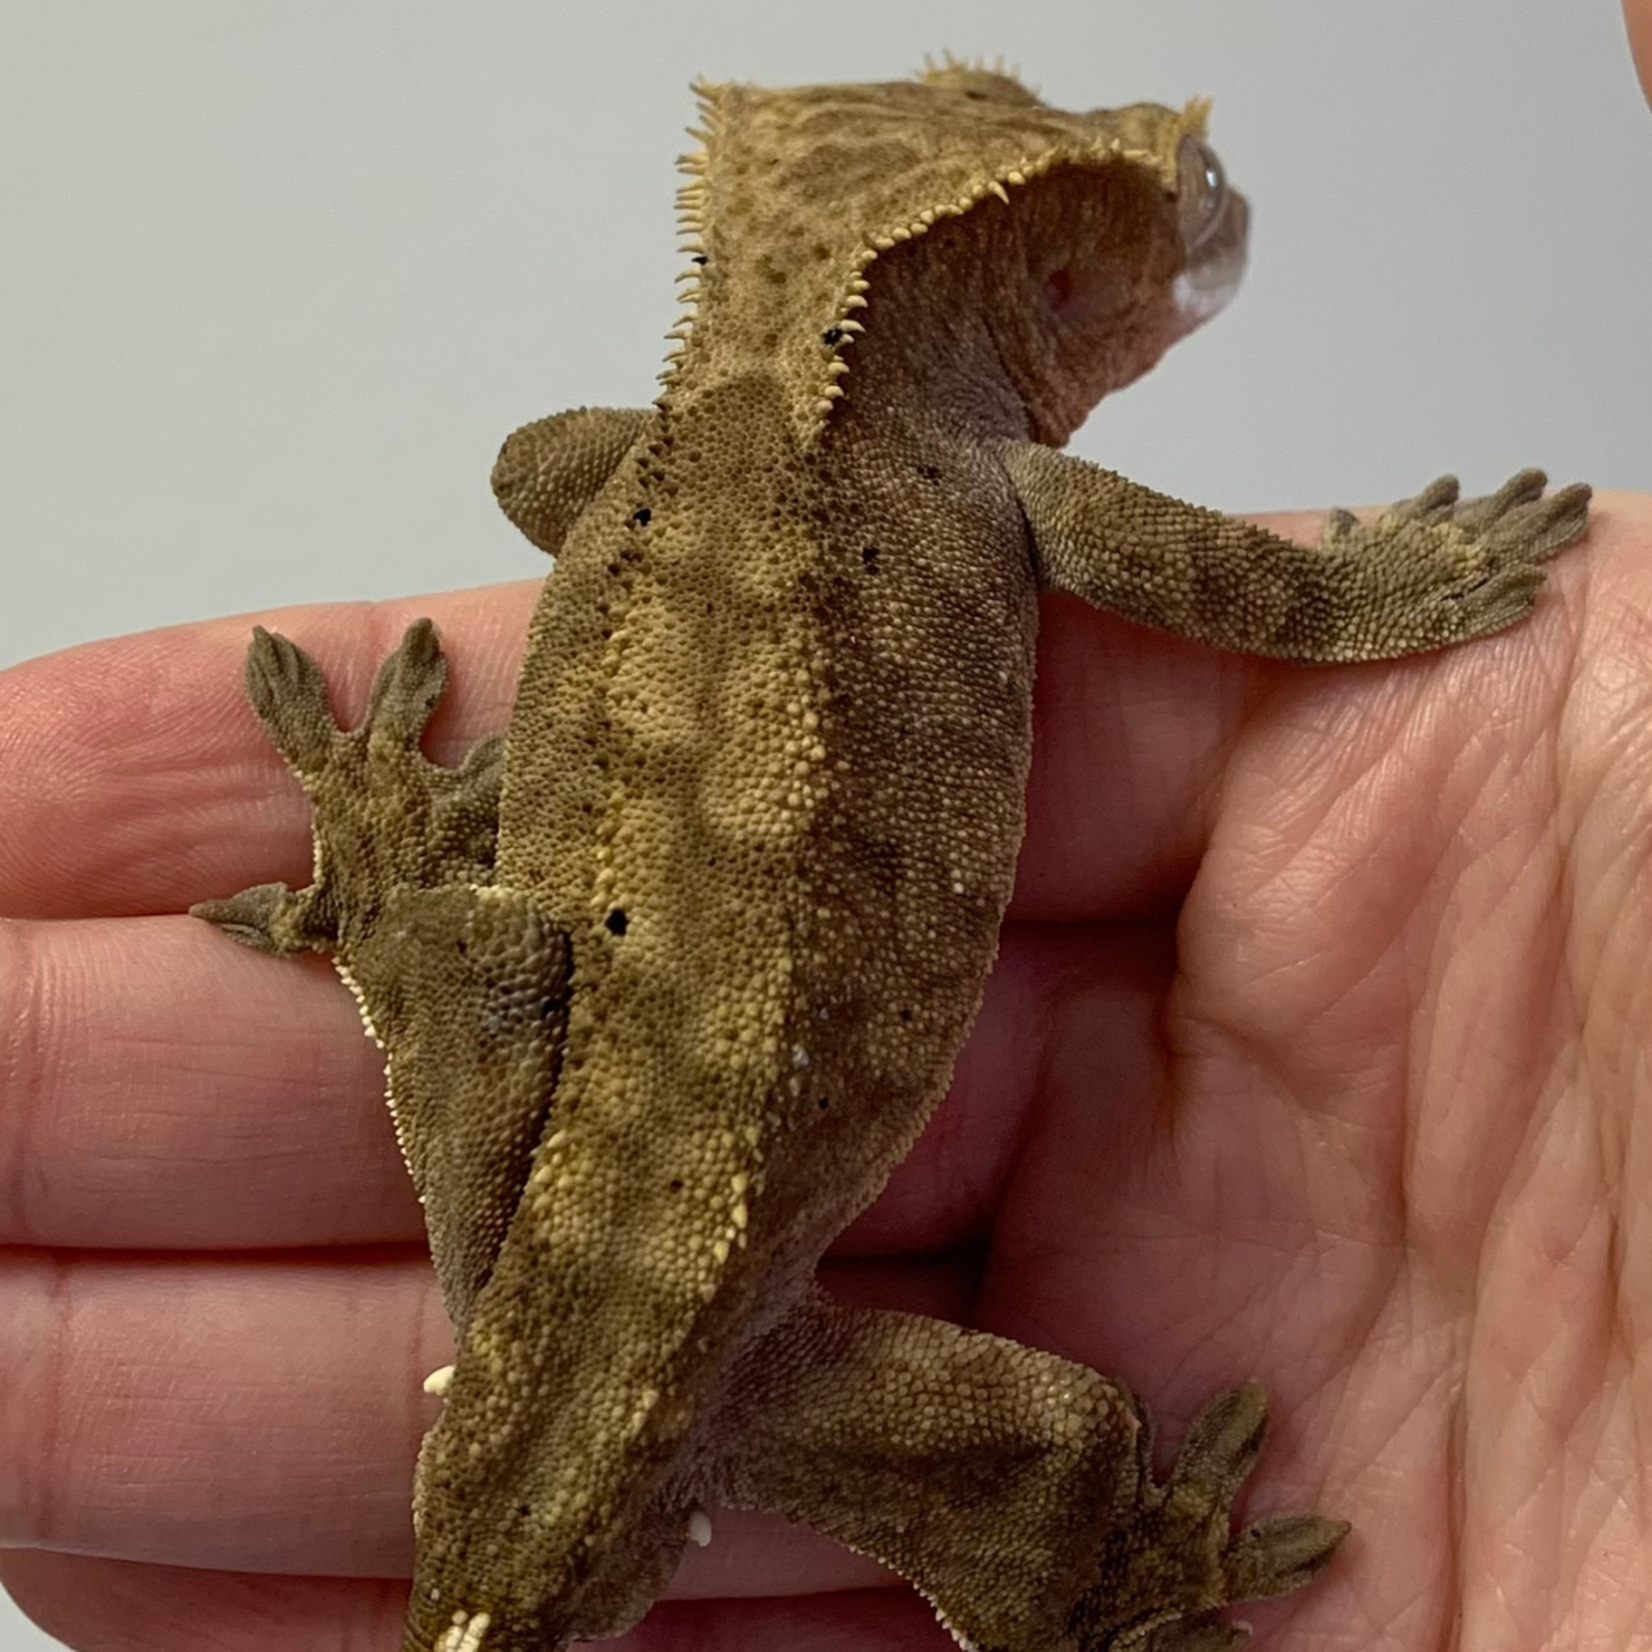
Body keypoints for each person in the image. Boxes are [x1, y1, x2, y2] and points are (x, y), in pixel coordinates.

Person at [1, 17, 1648, 1648]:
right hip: (726, 1353)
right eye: (1176, 194)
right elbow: (1259, 586)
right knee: (1072, 1452)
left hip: (547, 1220)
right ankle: (1108, 1609)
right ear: (1049, 281)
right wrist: (1407, 592)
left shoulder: (640, 464)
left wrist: (655, 561)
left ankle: (377, 903)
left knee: (467, 951)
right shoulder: (998, 486)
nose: (1203, 216)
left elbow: (531, 469)